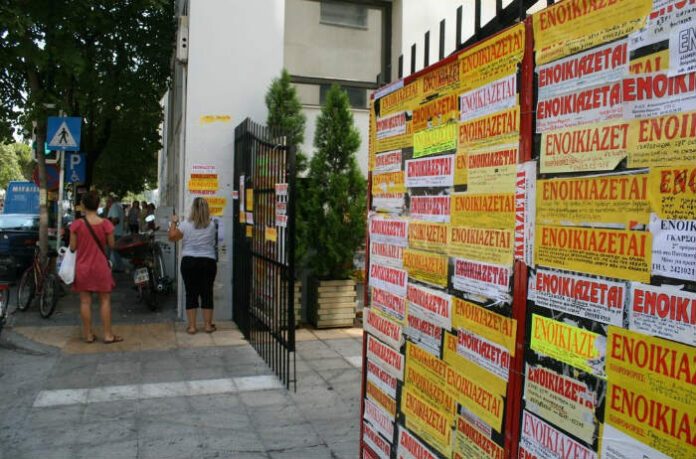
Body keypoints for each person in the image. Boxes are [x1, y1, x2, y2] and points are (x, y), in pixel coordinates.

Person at [69, 191, 122, 344]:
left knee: (85, 302)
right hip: (101, 268)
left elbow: (72, 247)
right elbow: (112, 245)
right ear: (98, 205)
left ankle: (88, 335)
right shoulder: (106, 224)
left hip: (83, 268)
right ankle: (108, 335)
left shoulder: (77, 224)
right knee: (105, 300)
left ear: (83, 205)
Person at [168, 197, 217, 334]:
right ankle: (207, 326)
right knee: (207, 293)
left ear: (192, 209)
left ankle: (192, 326)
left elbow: (172, 237)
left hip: (189, 262)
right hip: (208, 261)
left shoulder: (185, 225)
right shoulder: (212, 225)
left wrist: (174, 222)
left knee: (191, 293)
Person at [106, 195, 126, 271]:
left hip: (114, 233)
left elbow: (116, 220)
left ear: (110, 201)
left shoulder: (114, 207)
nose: (106, 203)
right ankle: (119, 267)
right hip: (118, 232)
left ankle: (106, 266)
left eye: (107, 201)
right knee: (115, 251)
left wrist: (107, 225)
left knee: (109, 250)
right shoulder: (119, 207)